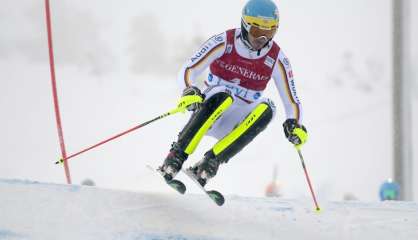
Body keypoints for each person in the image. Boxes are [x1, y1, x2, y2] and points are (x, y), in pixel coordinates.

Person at [159, 0, 308, 187]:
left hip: (236, 123)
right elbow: (189, 68)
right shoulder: (225, 42)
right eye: (256, 31)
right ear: (244, 25)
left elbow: (291, 100)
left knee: (269, 108)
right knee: (224, 94)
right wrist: (189, 89)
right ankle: (176, 156)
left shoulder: (276, 58)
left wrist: (295, 124)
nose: (262, 39)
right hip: (209, 112)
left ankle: (210, 163)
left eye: (269, 32)